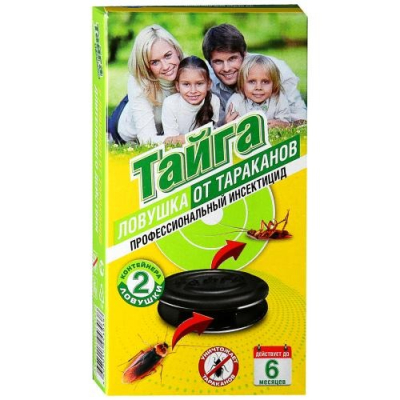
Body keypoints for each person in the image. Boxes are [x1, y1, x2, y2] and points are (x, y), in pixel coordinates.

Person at [202, 23, 307, 125]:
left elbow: (302, 120)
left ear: (244, 54)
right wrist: (224, 124)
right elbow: (208, 124)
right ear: (209, 63)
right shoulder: (204, 80)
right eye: (218, 62)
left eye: (232, 59)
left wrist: (286, 125)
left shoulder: (278, 71)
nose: (226, 68)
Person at [108, 25, 184, 144]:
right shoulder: (138, 83)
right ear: (146, 66)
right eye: (155, 62)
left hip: (157, 115)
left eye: (168, 56)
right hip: (124, 126)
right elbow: (146, 139)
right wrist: (181, 139)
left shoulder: (190, 68)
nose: (165, 66)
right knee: (105, 126)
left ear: (177, 51)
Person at [161, 56, 220, 144]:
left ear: (209, 84)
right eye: (186, 84)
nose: (193, 91)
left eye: (199, 84)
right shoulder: (170, 104)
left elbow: (212, 134)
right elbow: (171, 140)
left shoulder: (213, 101)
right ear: (177, 86)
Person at [225, 55, 290, 127]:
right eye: (252, 81)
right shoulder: (235, 102)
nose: (258, 87)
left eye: (265, 82)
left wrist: (282, 124)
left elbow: (286, 125)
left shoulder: (279, 99)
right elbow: (232, 128)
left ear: (274, 84)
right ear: (242, 83)